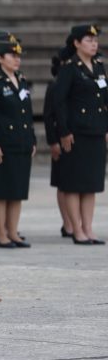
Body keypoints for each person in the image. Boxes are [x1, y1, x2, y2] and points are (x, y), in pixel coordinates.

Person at [52, 24, 107, 245]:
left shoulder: (99, 67)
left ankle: (88, 227)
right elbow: (59, 102)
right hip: (76, 133)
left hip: (95, 131)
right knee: (75, 184)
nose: (94, 44)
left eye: (95, 40)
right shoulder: (70, 68)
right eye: (88, 40)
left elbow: (103, 101)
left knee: (91, 184)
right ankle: (76, 229)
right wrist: (64, 131)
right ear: (76, 43)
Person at [0, 40, 35, 248]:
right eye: (12, 55)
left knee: (17, 190)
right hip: (2, 143)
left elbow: (26, 113)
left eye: (19, 56)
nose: (17, 59)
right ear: (0, 58)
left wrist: (32, 139)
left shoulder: (20, 79)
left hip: (20, 143)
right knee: (1, 191)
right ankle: (1, 233)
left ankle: (13, 231)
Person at [43, 55, 73, 238]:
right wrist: (53, 141)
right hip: (60, 141)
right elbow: (49, 116)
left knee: (75, 183)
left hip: (77, 140)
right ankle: (67, 223)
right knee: (63, 183)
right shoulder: (54, 86)